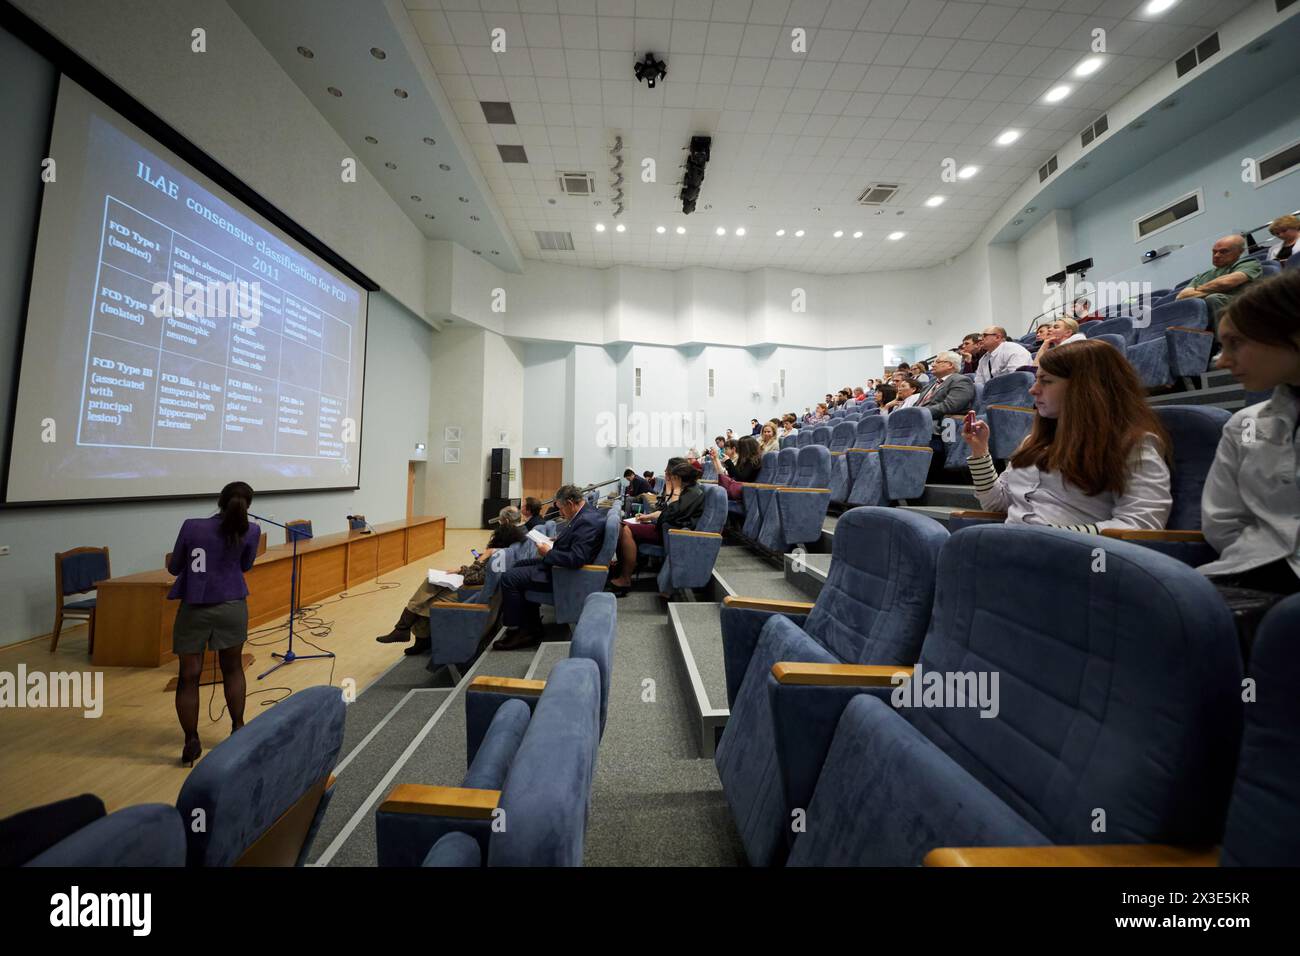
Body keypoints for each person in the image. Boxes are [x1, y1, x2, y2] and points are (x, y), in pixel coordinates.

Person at [961, 339, 1172, 532]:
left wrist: (1051, 537)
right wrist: (980, 452)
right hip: (1015, 551)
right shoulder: (1032, 442)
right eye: (1036, 380)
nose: (1033, 390)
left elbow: (1142, 526)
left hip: (1074, 561)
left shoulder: (1133, 444)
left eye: (1046, 381)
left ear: (1085, 387)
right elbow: (996, 503)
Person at [1197, 270, 1300, 646]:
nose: (1222, 362)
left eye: (1235, 344)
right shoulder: (1243, 425)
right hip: (1248, 576)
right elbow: (1223, 522)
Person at [166, 481, 262, 766]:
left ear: (219, 501)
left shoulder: (192, 526)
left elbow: (175, 568)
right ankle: (237, 728)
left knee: (189, 675)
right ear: (248, 505)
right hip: (232, 606)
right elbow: (245, 566)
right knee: (232, 668)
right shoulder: (251, 530)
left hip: (195, 607)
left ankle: (191, 740)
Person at [376, 505, 527, 655]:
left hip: (473, 593)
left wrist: (480, 560)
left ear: (505, 522)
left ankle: (407, 631)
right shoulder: (517, 540)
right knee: (430, 584)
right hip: (482, 587)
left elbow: (473, 578)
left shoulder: (499, 552)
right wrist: (463, 569)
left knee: (427, 601)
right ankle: (406, 631)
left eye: (500, 521)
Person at [496, 485, 606, 649]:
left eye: (561, 509)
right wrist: (557, 541)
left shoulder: (586, 521)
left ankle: (521, 630)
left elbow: (576, 559)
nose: (560, 513)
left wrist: (547, 553)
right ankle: (530, 625)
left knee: (508, 578)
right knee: (517, 565)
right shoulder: (585, 514)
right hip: (559, 568)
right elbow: (576, 543)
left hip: (564, 576)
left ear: (570, 503)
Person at [607, 461, 707, 596]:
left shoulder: (693, 493)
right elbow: (666, 510)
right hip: (665, 528)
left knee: (625, 529)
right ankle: (620, 569)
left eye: (673, 477)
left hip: (671, 533)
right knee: (622, 526)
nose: (669, 478)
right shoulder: (689, 490)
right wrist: (648, 517)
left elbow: (671, 514)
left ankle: (625, 578)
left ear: (679, 478)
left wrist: (675, 490)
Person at [1175, 234, 1263, 336]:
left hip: (1243, 305)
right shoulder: (1202, 275)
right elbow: (1181, 296)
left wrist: (1198, 289)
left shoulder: (1249, 263)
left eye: (1223, 251)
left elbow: (1227, 282)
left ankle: (1225, 341)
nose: (1216, 255)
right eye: (1214, 251)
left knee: (1214, 298)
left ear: (1240, 252)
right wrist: (1216, 287)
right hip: (1214, 310)